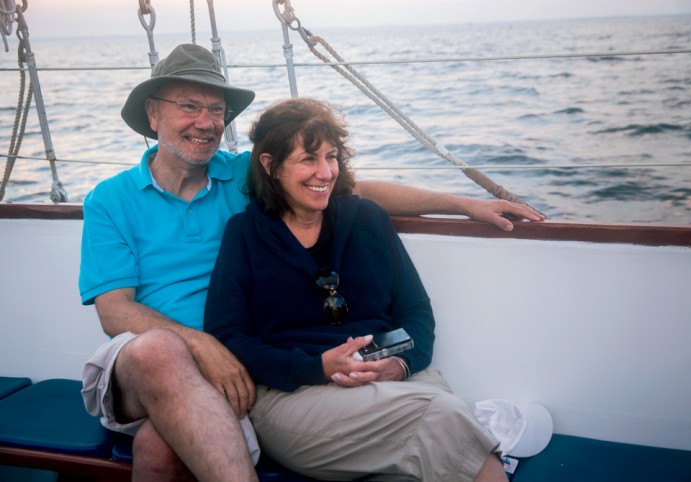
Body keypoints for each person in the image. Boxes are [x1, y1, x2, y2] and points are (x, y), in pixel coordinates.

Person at [79, 44, 539, 481]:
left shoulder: (242, 175)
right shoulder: (110, 199)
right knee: (160, 350)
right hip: (160, 361)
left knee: (162, 447)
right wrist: (207, 347)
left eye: (216, 110)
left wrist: (462, 204)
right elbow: (115, 312)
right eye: (189, 106)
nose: (206, 122)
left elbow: (347, 189)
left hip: (237, 366)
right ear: (153, 112)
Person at [204, 97, 508, 481]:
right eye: (308, 159)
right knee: (446, 419)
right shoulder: (244, 236)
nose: (325, 172)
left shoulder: (367, 219)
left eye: (331, 157)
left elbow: (415, 312)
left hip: (396, 378)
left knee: (430, 449)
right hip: (296, 395)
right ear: (271, 166)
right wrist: (316, 367)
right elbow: (227, 336)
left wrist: (398, 366)